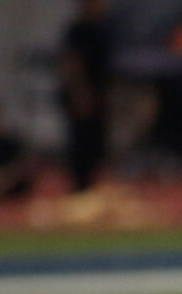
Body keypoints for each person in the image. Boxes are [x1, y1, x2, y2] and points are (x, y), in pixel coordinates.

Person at [57, 0, 114, 193]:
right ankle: (79, 187)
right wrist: (81, 94)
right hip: (82, 95)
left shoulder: (103, 28)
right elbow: (72, 63)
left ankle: (90, 187)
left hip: (99, 94)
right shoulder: (77, 31)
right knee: (80, 142)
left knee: (96, 143)